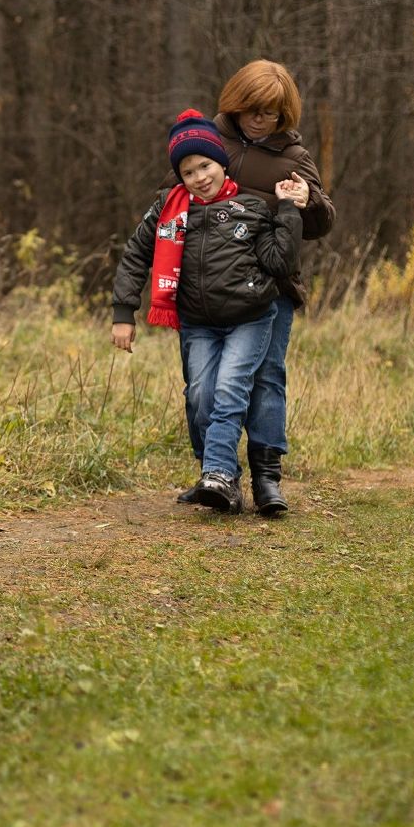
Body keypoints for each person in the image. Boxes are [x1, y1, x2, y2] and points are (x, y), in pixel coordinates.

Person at [110, 113, 308, 514]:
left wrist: (288, 211)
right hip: (198, 322)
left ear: (221, 163)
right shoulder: (169, 211)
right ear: (178, 176)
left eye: (205, 165)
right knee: (200, 396)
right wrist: (123, 311)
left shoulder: (251, 208)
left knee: (230, 388)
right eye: (188, 170)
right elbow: (135, 255)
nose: (199, 176)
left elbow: (279, 261)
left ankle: (217, 473)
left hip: (249, 317)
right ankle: (222, 478)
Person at [209, 60, 336, 516]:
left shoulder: (295, 157)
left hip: (273, 286)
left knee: (267, 375)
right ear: (236, 104)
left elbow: (321, 223)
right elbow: (170, 198)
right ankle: (219, 474)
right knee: (209, 383)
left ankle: (267, 478)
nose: (260, 119)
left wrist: (308, 202)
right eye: (252, 109)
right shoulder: (210, 141)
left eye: (272, 113)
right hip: (214, 285)